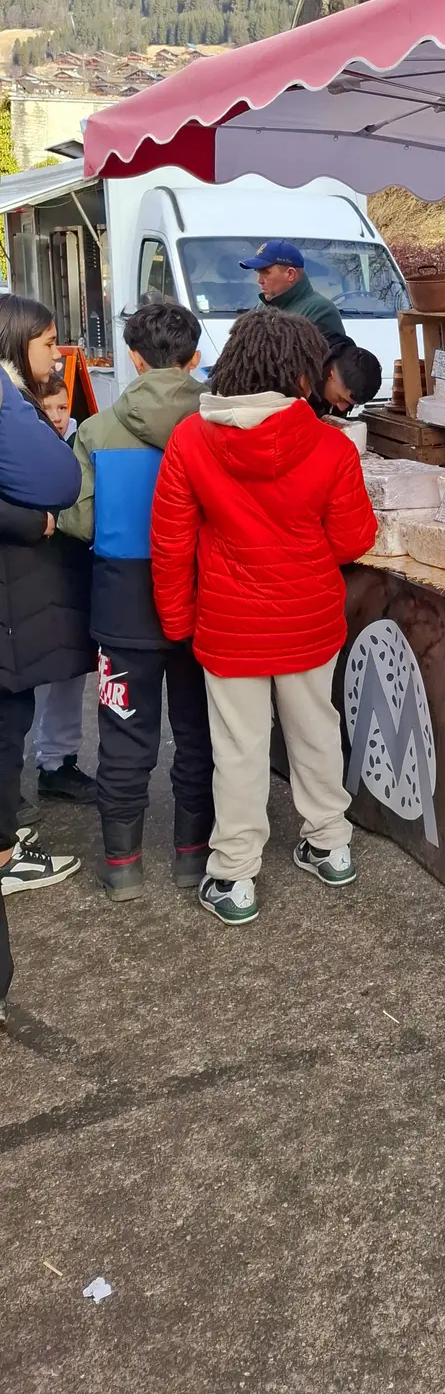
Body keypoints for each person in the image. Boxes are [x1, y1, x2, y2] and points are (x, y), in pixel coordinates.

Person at [150, 307, 376, 926]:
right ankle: (329, 843)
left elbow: (170, 545)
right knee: (315, 731)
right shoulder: (330, 444)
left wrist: (178, 622)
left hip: (228, 624)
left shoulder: (191, 440)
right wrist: (300, 558)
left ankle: (235, 874)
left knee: (239, 749)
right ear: (305, 374)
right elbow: (354, 537)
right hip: (309, 619)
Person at [58, 300, 215, 899]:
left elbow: (77, 520)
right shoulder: (216, 425)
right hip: (203, 600)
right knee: (198, 731)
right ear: (195, 358)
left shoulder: (96, 432)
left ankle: (122, 864)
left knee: (123, 732)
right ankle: (191, 857)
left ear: (132, 357)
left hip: (121, 603)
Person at [0, 298, 92, 1025]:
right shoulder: (7, 400)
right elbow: (57, 482)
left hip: (20, 605)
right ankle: (5, 851)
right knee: (8, 722)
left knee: (17, 715)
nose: (58, 352)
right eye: (49, 342)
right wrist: (35, 519)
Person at [30, 367, 93, 804]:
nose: (56, 415)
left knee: (69, 673)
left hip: (70, 568)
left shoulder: (82, 440)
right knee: (28, 678)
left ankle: (57, 761)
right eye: (47, 407)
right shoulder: (23, 444)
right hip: (35, 570)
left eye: (62, 406)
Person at [239, 240, 345, 346]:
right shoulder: (262, 305)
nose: (259, 281)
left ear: (290, 274)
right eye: (258, 273)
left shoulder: (320, 310)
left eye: (265, 273)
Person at [312, 338, 382, 417]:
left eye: (350, 404)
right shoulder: (299, 367)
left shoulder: (350, 359)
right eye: (340, 398)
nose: (342, 408)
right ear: (330, 374)